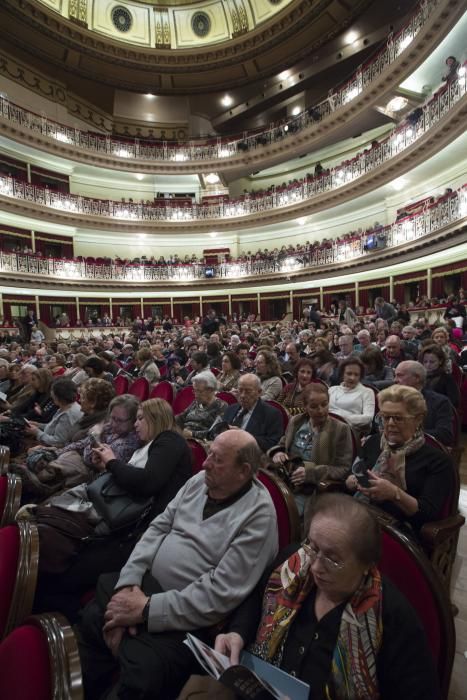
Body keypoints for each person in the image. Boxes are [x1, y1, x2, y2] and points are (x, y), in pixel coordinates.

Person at [77, 430, 279, 700]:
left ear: (243, 471)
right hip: (142, 589)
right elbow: (158, 528)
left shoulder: (259, 515)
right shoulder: (200, 480)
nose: (205, 463)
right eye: (208, 455)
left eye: (217, 460)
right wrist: (128, 584)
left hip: (187, 618)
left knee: (145, 671)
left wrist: (146, 610)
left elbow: (220, 593)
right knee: (93, 618)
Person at [213, 494, 440, 700]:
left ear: (367, 565)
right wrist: (238, 632)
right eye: (312, 546)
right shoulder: (292, 564)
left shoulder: (391, 617)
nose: (315, 567)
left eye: (333, 559)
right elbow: (256, 601)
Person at [32, 398, 193, 622]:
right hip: (122, 522)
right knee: (55, 552)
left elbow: (147, 482)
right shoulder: (153, 444)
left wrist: (112, 463)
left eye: (140, 419)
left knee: (63, 576)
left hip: (138, 534)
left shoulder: (170, 440)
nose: (136, 425)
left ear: (155, 418)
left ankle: (56, 628)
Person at [346, 384, 452, 530]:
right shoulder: (373, 441)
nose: (389, 424)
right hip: (357, 514)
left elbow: (427, 513)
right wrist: (351, 481)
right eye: (385, 417)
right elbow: (352, 472)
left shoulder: (438, 461)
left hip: (397, 530)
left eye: (398, 418)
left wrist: (394, 494)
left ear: (418, 419)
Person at [269, 383, 353, 515]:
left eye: (324, 404)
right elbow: (283, 443)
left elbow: (343, 468)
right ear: (305, 407)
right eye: (314, 406)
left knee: (281, 514)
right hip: (284, 478)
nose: (320, 410)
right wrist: (278, 452)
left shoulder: (340, 429)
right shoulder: (296, 421)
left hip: (312, 488)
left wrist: (311, 472)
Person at [394, 361, 454, 446]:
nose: (395, 380)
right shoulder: (391, 399)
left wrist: (408, 433)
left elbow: (445, 434)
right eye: (395, 375)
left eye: (400, 375)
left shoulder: (439, 402)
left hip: (425, 450)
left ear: (417, 378)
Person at [224, 373, 283, 451]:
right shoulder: (230, 409)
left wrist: (243, 436)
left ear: (259, 392)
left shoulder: (272, 414)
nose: (242, 395)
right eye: (240, 390)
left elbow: (271, 444)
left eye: (248, 391)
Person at [23, 376, 83, 447]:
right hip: (45, 443)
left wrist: (37, 432)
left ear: (58, 396)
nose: (51, 394)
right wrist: (38, 425)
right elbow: (53, 427)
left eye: (52, 391)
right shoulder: (65, 406)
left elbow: (57, 442)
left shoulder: (68, 415)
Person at [328, 357, 375, 436]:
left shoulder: (367, 392)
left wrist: (338, 418)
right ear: (342, 374)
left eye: (356, 375)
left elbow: (368, 418)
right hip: (328, 429)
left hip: (351, 433)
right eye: (349, 373)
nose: (352, 378)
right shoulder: (332, 389)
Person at [176, 371, 227, 439]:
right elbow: (181, 417)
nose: (196, 395)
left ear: (210, 390)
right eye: (194, 390)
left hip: (200, 442)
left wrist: (192, 434)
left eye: (199, 391)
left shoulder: (221, 406)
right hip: (184, 436)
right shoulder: (196, 402)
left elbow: (216, 433)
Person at [418, 343, 459, 408]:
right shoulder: (419, 377)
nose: (428, 365)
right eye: (425, 361)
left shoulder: (447, 378)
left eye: (432, 362)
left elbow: (454, 401)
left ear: (440, 361)